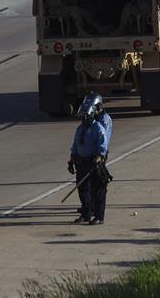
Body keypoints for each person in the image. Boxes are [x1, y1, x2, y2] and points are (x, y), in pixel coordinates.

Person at [68, 94, 112, 224]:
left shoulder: (98, 128)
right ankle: (86, 213)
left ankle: (99, 216)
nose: (84, 119)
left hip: (93, 162)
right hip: (81, 162)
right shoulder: (80, 129)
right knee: (83, 189)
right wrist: (72, 159)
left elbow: (103, 144)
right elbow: (75, 144)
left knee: (97, 190)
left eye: (86, 117)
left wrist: (98, 158)